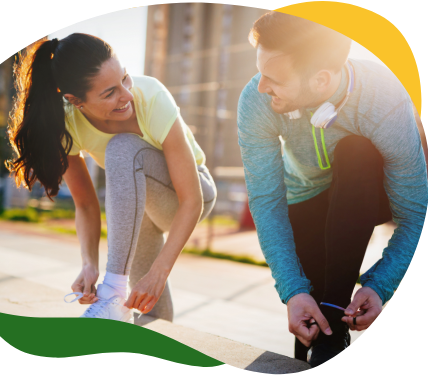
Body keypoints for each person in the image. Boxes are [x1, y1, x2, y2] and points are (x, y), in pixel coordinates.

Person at [237, 12, 428, 367]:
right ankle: (326, 326)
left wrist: (379, 285)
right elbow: (266, 202)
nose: (261, 86)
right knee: (313, 320)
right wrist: (293, 290)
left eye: (273, 78)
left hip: (367, 192)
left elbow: (416, 214)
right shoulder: (256, 101)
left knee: (356, 151)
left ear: (321, 79)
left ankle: (335, 305)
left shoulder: (385, 101)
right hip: (304, 198)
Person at [6, 33, 216, 324]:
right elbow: (86, 205)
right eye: (109, 93)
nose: (127, 95)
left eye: (125, 79)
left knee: (122, 147)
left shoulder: (151, 96)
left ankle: (111, 292)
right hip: (140, 209)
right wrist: (89, 264)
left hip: (192, 196)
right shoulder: (66, 125)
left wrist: (159, 272)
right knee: (149, 308)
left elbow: (191, 200)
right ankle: (125, 311)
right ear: (75, 100)